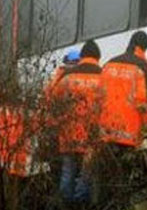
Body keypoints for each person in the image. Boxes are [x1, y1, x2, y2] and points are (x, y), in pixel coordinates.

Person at [47, 40, 104, 206]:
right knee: (88, 170)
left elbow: (52, 100)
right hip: (92, 132)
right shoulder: (103, 77)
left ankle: (65, 202)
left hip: (68, 131)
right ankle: (80, 202)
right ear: (97, 57)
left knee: (68, 169)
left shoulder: (67, 78)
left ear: (82, 57)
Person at [99, 31, 147, 149]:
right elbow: (144, 101)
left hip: (106, 130)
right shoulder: (145, 67)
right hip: (130, 133)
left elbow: (98, 96)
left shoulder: (109, 64)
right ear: (145, 47)